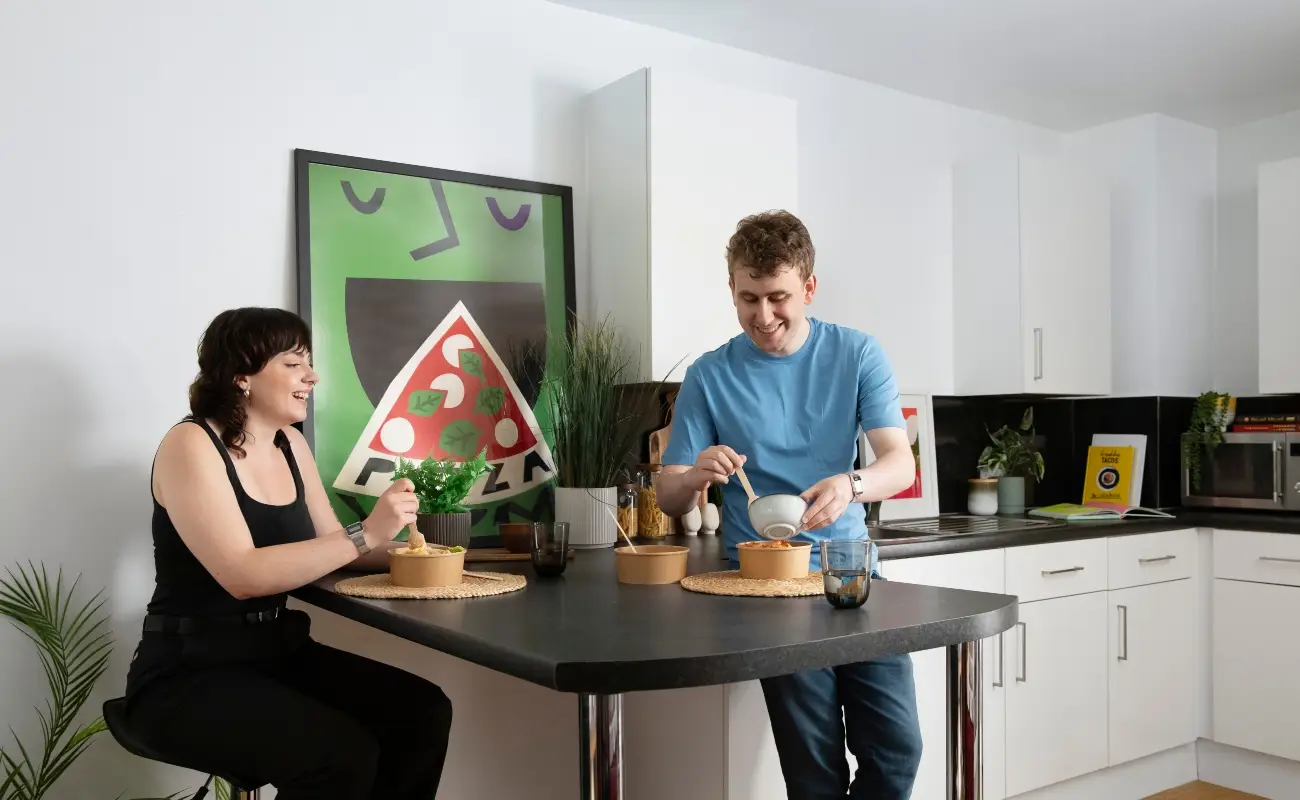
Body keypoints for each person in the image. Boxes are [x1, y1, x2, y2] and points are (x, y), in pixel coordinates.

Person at [122, 307, 452, 800]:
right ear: (242, 376)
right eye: (294, 363)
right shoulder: (190, 444)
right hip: (188, 671)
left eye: (309, 363)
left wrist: (416, 550)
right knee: (340, 755)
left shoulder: (290, 445)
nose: (311, 376)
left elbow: (334, 547)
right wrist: (368, 531)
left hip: (277, 652)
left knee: (422, 712)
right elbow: (243, 574)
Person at [657, 211, 922, 799]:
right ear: (731, 289)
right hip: (763, 588)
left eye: (778, 296)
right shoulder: (709, 374)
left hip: (852, 578)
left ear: (809, 287)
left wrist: (850, 484)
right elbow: (667, 491)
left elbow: (898, 465)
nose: (763, 315)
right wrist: (695, 475)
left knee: (899, 749)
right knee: (813, 773)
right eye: (747, 298)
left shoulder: (857, 354)